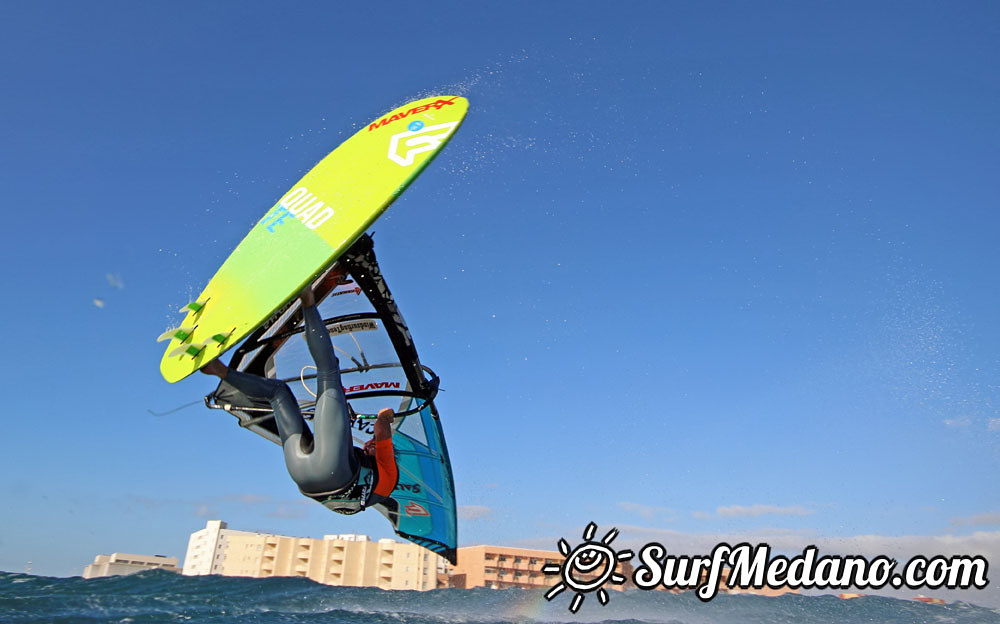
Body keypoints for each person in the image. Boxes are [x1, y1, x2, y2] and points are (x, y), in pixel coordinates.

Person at [200, 281, 398, 515]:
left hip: (332, 470)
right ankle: (220, 371)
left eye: (372, 448)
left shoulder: (390, 476)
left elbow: (382, 431)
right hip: (302, 476)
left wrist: (386, 416)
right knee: (277, 393)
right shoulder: (373, 491)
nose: (370, 448)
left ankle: (307, 301)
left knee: (329, 371)